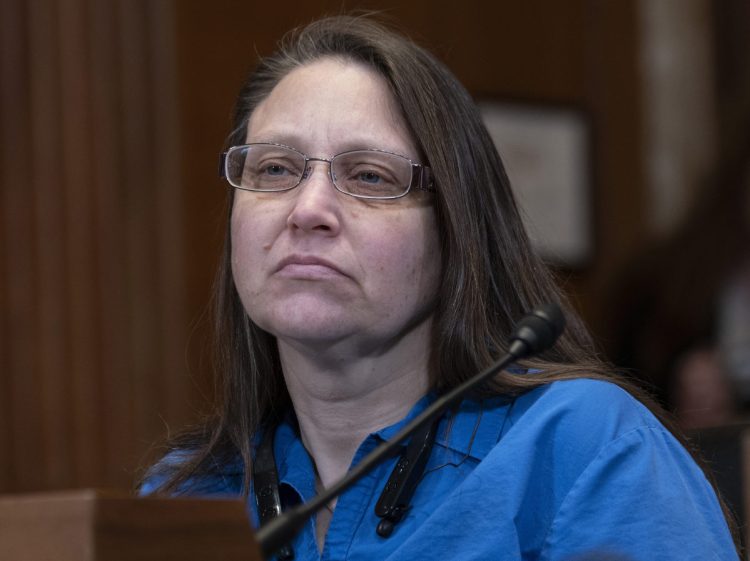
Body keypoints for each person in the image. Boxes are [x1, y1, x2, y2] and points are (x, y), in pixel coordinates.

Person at [140, 15, 740, 560]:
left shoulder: (586, 446)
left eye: (369, 176)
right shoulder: (181, 498)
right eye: (274, 169)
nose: (308, 209)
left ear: (455, 230)